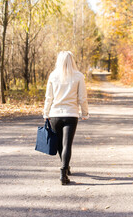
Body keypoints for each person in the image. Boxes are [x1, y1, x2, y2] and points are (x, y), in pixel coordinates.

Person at [43, 51, 89, 185]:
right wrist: (85, 113)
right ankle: (64, 171)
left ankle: (65, 167)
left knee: (59, 144)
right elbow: (82, 97)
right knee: (66, 144)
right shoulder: (78, 76)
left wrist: (46, 112)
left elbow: (48, 97)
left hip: (55, 114)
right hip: (71, 114)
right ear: (72, 61)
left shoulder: (53, 75)